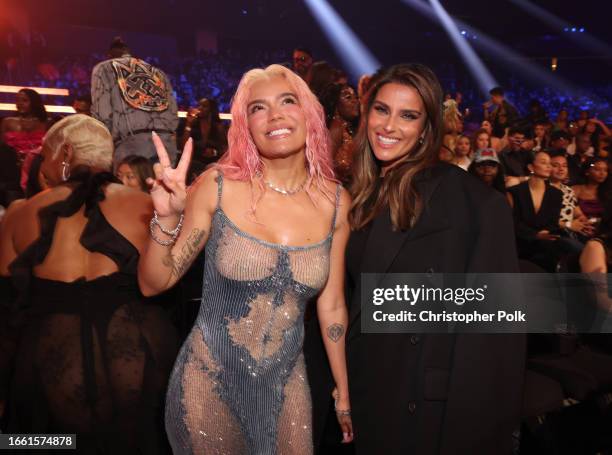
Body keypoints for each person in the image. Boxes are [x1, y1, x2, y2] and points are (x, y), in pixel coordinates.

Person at [305, 63, 524, 455]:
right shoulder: (359, 194)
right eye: (381, 110)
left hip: (424, 405)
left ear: (427, 128)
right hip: (365, 387)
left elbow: (494, 332)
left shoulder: (470, 202)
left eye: (408, 116)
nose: (389, 126)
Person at [137, 64, 353, 453]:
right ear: (246, 125)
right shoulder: (219, 187)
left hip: (287, 387)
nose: (274, 115)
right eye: (258, 107)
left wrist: (343, 390)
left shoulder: (336, 203)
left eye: (288, 101)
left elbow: (333, 305)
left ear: (309, 113)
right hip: (209, 383)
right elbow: (154, 283)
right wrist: (167, 217)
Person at [0, 114, 178, 453]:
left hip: (50, 366)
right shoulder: (148, 206)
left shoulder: (20, 214)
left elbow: (5, 315)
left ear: (65, 153)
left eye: (45, 153)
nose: (42, 163)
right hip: (141, 358)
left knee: (39, 445)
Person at [91, 37, 178, 168]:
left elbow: (102, 113)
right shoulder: (158, 72)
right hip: (165, 145)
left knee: (131, 188)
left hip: (130, 147)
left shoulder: (103, 68)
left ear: (108, 55)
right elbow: (173, 112)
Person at [1, 88, 48, 190]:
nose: (20, 103)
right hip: (12, 171)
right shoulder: (8, 122)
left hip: (38, 170)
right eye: (17, 100)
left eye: (24, 100)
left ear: (34, 102)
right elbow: (2, 149)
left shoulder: (46, 123)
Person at [320, 83, 360, 183]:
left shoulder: (347, 127)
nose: (355, 101)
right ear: (336, 104)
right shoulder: (336, 128)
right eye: (348, 97)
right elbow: (325, 166)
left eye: (356, 97)